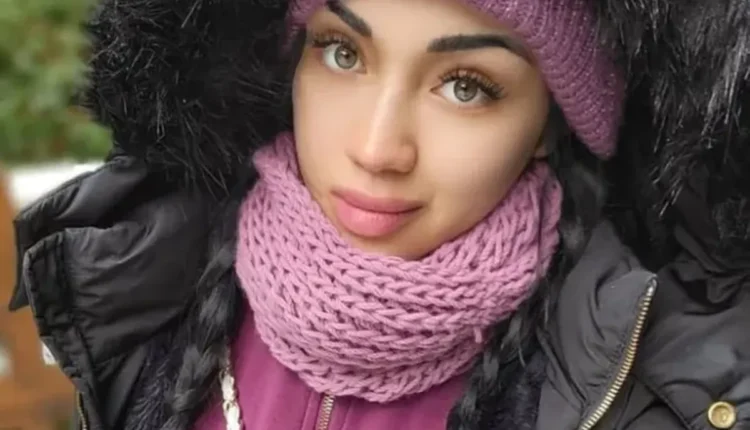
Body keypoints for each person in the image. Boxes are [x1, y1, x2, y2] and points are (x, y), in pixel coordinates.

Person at [7, 1, 748, 430]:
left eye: (466, 86)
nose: (375, 148)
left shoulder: (656, 385)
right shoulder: (140, 283)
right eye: (341, 52)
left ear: (549, 128)